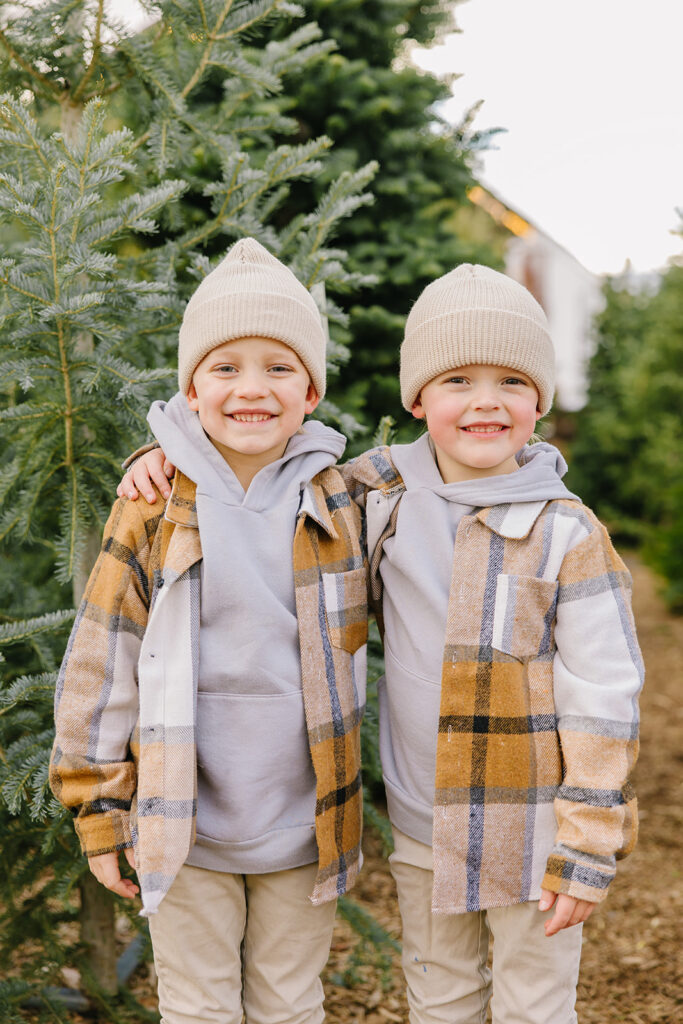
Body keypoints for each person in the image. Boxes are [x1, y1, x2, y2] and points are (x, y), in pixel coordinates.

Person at [119, 264, 643, 1024]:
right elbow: (259, 471)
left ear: (540, 402)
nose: (485, 402)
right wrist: (164, 455)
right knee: (438, 998)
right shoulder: (373, 497)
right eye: (457, 379)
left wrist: (588, 841)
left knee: (534, 1004)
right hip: (422, 823)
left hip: (530, 828)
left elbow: (604, 696)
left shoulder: (567, 532)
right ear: (417, 399)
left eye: (510, 382)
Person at [50, 238, 368, 1024]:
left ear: (311, 390)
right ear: (191, 389)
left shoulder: (341, 498)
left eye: (278, 367)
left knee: (290, 1002)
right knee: (197, 1007)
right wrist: (97, 808)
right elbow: (102, 655)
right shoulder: (155, 502)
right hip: (181, 825)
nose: (251, 389)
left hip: (305, 825)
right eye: (225, 368)